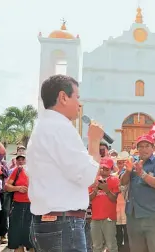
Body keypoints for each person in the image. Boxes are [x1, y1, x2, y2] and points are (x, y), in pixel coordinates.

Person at [27, 74, 104, 252]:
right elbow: (88, 177)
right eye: (77, 97)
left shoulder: (43, 126)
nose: (79, 103)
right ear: (63, 97)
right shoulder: (60, 128)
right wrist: (94, 143)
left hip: (49, 222)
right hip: (63, 224)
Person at [120, 134, 155, 252]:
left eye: (147, 146)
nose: (144, 149)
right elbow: (122, 182)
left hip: (153, 216)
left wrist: (142, 173)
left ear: (153, 148)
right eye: (141, 146)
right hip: (133, 216)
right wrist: (127, 171)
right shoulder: (132, 161)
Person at [5, 155, 34, 252]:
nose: (21, 161)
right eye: (19, 159)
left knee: (33, 240)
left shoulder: (39, 171)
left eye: (23, 159)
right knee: (16, 239)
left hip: (34, 208)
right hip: (18, 206)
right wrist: (17, 188)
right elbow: (7, 186)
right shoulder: (18, 170)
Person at [89, 157, 119, 252]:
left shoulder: (114, 180)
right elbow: (89, 198)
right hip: (95, 218)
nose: (104, 171)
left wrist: (106, 190)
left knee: (111, 245)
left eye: (106, 169)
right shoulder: (94, 180)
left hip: (109, 218)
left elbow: (115, 199)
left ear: (111, 169)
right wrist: (96, 189)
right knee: (96, 245)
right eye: (102, 168)